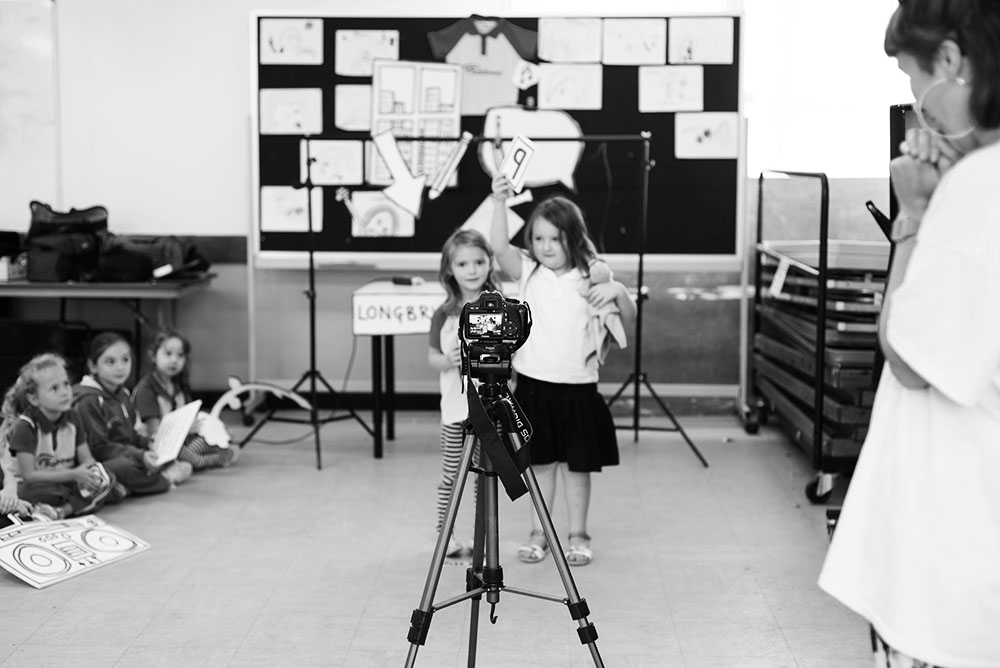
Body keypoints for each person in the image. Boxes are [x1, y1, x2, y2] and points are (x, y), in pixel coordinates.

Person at [818, 2, 1000, 666]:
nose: (919, 108)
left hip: (961, 547)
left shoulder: (980, 188)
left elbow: (909, 356)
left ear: (950, 61)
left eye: (911, 81)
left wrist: (916, 214)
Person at [490, 175, 635, 566]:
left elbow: (628, 321)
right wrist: (499, 201)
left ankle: (578, 535)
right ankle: (539, 532)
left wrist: (621, 293)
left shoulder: (593, 275)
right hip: (534, 388)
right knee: (539, 465)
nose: (546, 246)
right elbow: (499, 246)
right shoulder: (526, 271)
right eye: (538, 238)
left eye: (555, 238)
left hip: (578, 389)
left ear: (573, 236)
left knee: (577, 467)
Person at [428, 229, 502, 561]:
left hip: (488, 411)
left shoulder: (499, 309)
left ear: (489, 264)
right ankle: (446, 537)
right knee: (451, 476)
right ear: (449, 270)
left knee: (483, 479)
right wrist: (449, 360)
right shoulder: (443, 314)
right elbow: (432, 357)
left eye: (479, 261)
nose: (471, 270)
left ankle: (481, 538)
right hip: (455, 412)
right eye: (462, 263)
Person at [73, 332, 192, 499]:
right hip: (102, 460)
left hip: (125, 452)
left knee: (165, 454)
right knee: (124, 467)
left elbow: (129, 435)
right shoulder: (88, 400)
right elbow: (100, 448)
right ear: (93, 366)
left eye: (125, 360)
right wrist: (140, 455)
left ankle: (124, 487)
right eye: (110, 362)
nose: (120, 367)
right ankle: (164, 479)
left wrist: (149, 445)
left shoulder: (122, 394)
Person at [0, 353, 115, 521]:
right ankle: (61, 506)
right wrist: (74, 475)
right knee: (40, 492)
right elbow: (29, 475)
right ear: (33, 398)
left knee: (108, 477)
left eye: (66, 384)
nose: (65, 392)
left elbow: (87, 459)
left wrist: (91, 475)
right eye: (54, 388)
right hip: (30, 485)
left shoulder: (73, 417)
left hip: (64, 479)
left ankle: (58, 512)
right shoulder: (25, 426)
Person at [132, 330, 236, 470]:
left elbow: (188, 416)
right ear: (153, 355)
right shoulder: (146, 388)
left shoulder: (178, 385)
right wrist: (185, 430)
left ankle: (192, 457)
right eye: (168, 354)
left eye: (180, 355)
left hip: (178, 438)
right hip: (154, 442)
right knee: (182, 451)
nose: (174, 360)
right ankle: (204, 461)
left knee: (217, 434)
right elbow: (154, 431)